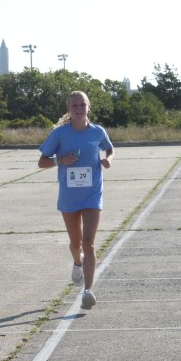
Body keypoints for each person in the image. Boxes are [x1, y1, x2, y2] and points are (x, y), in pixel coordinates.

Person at [37, 91, 114, 310]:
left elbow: (110, 148)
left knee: (89, 243)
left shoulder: (98, 131)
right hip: (69, 196)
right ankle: (77, 262)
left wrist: (108, 159)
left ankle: (88, 291)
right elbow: (42, 162)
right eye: (74, 105)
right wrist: (60, 160)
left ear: (89, 107)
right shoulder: (60, 134)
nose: (79, 109)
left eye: (82, 105)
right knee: (75, 244)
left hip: (92, 194)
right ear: (68, 108)